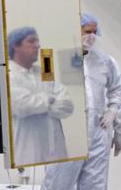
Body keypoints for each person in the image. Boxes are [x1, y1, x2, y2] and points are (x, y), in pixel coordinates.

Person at [20, 12, 121, 190]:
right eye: (84, 30)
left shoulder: (105, 61)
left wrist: (115, 117)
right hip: (66, 133)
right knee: (57, 188)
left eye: (92, 31)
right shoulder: (53, 58)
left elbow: (116, 90)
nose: (89, 36)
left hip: (99, 131)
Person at [7, 26, 73, 165]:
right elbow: (21, 106)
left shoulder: (44, 73)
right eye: (31, 41)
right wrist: (50, 98)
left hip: (56, 150)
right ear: (15, 46)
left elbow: (67, 106)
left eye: (37, 41)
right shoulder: (8, 75)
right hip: (26, 151)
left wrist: (41, 103)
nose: (37, 45)